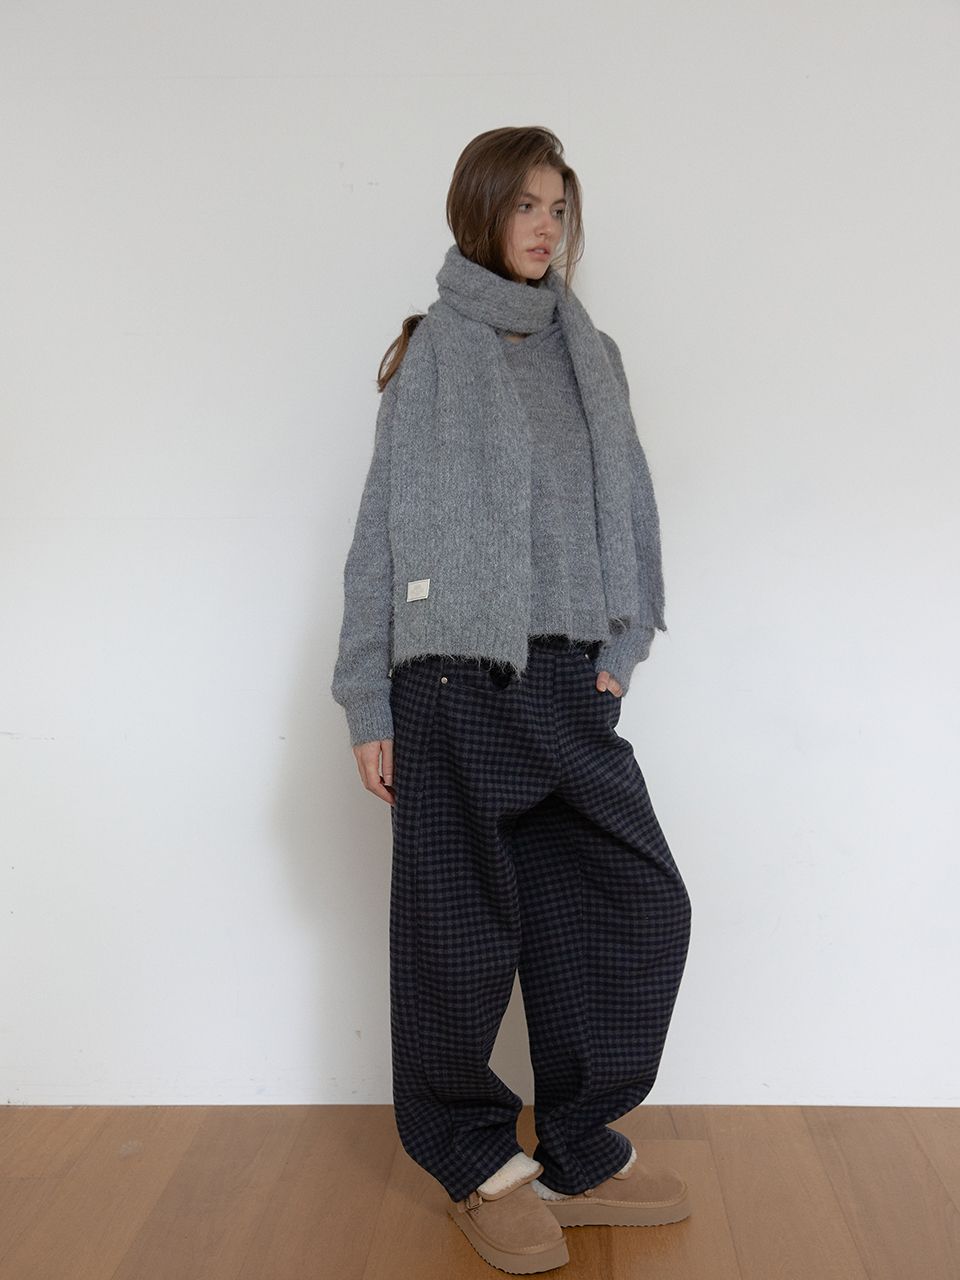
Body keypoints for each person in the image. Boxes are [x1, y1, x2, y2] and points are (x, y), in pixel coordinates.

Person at [331, 125, 692, 1275]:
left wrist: (624, 639)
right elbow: (380, 533)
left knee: (629, 902)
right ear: (480, 210)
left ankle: (580, 1144)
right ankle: (477, 1161)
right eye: (526, 204)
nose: (545, 227)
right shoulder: (428, 352)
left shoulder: (592, 353)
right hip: (452, 679)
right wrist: (368, 694)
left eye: (558, 208)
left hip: (567, 679)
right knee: (457, 933)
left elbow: (630, 500)